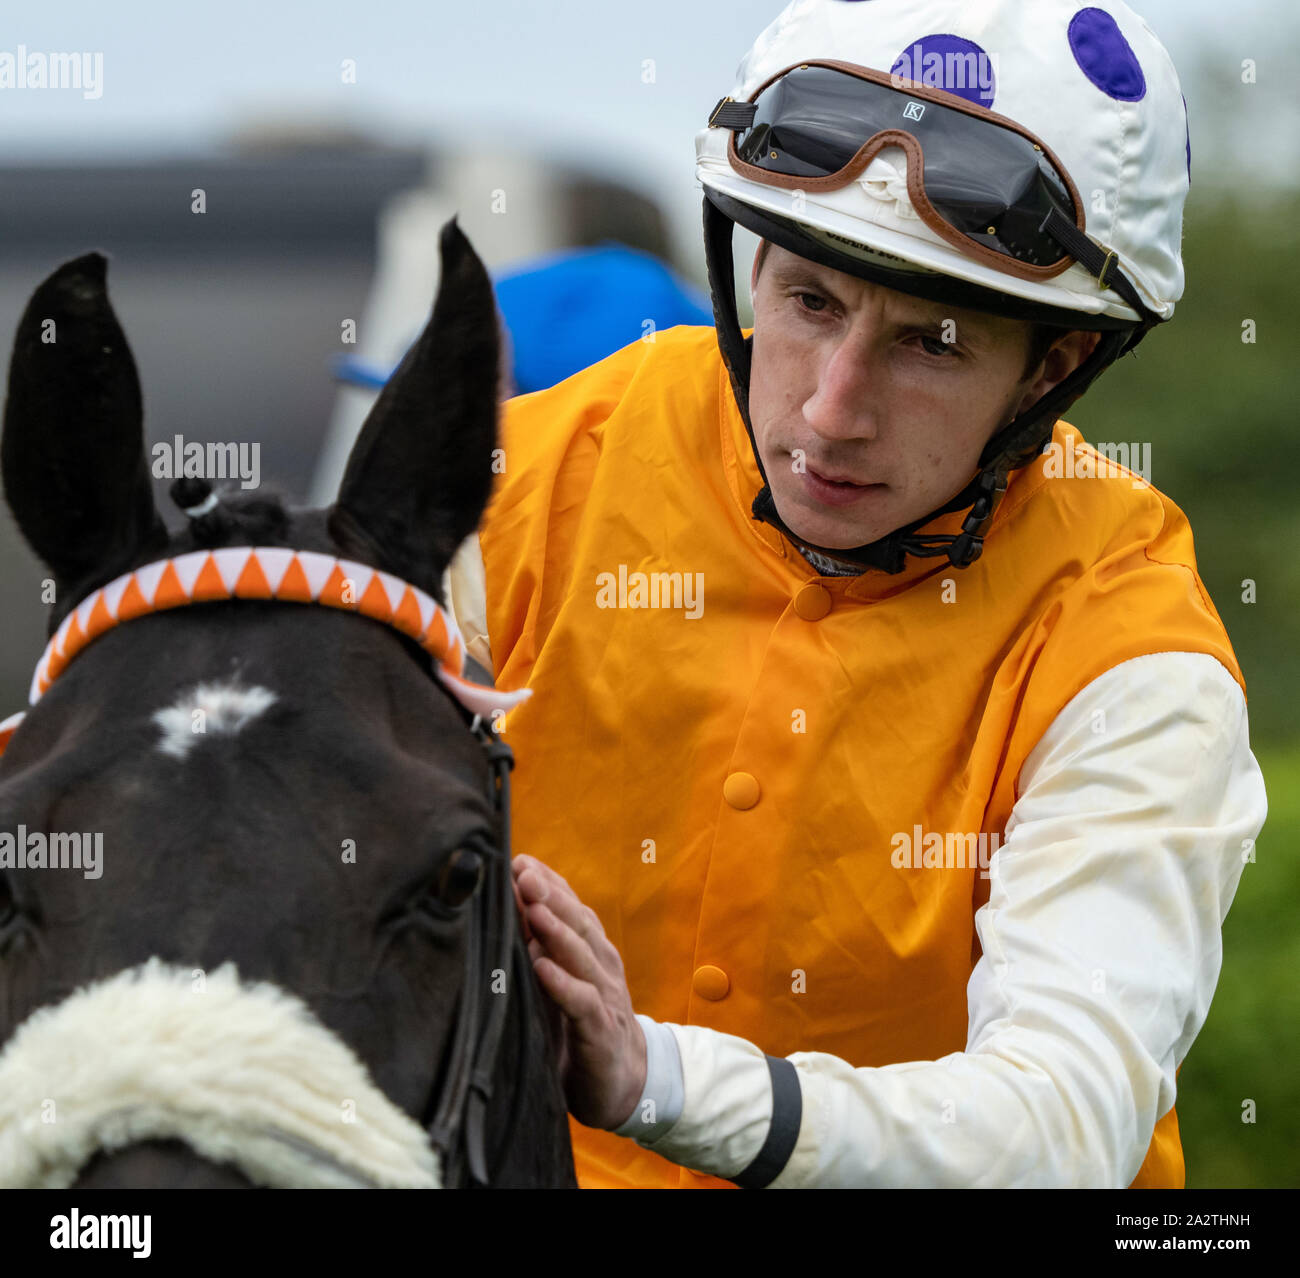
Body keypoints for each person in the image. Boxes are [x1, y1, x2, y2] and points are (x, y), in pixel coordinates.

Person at [443, 0, 1267, 1187]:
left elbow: (1066, 1122)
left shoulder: (1132, 647)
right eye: (809, 303)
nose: (830, 411)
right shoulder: (521, 480)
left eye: (931, 343)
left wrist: (654, 1081)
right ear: (750, 269)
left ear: (1056, 365)